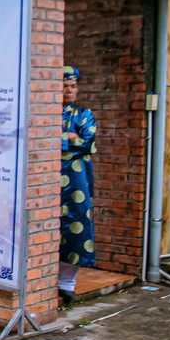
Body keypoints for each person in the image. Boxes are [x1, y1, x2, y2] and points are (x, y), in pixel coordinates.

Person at [59, 66, 96, 295]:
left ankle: (66, 283)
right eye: (64, 86)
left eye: (73, 86)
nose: (69, 90)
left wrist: (60, 140)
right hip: (49, 177)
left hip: (76, 179)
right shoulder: (45, 113)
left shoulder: (84, 115)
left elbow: (87, 143)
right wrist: (69, 137)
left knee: (77, 224)